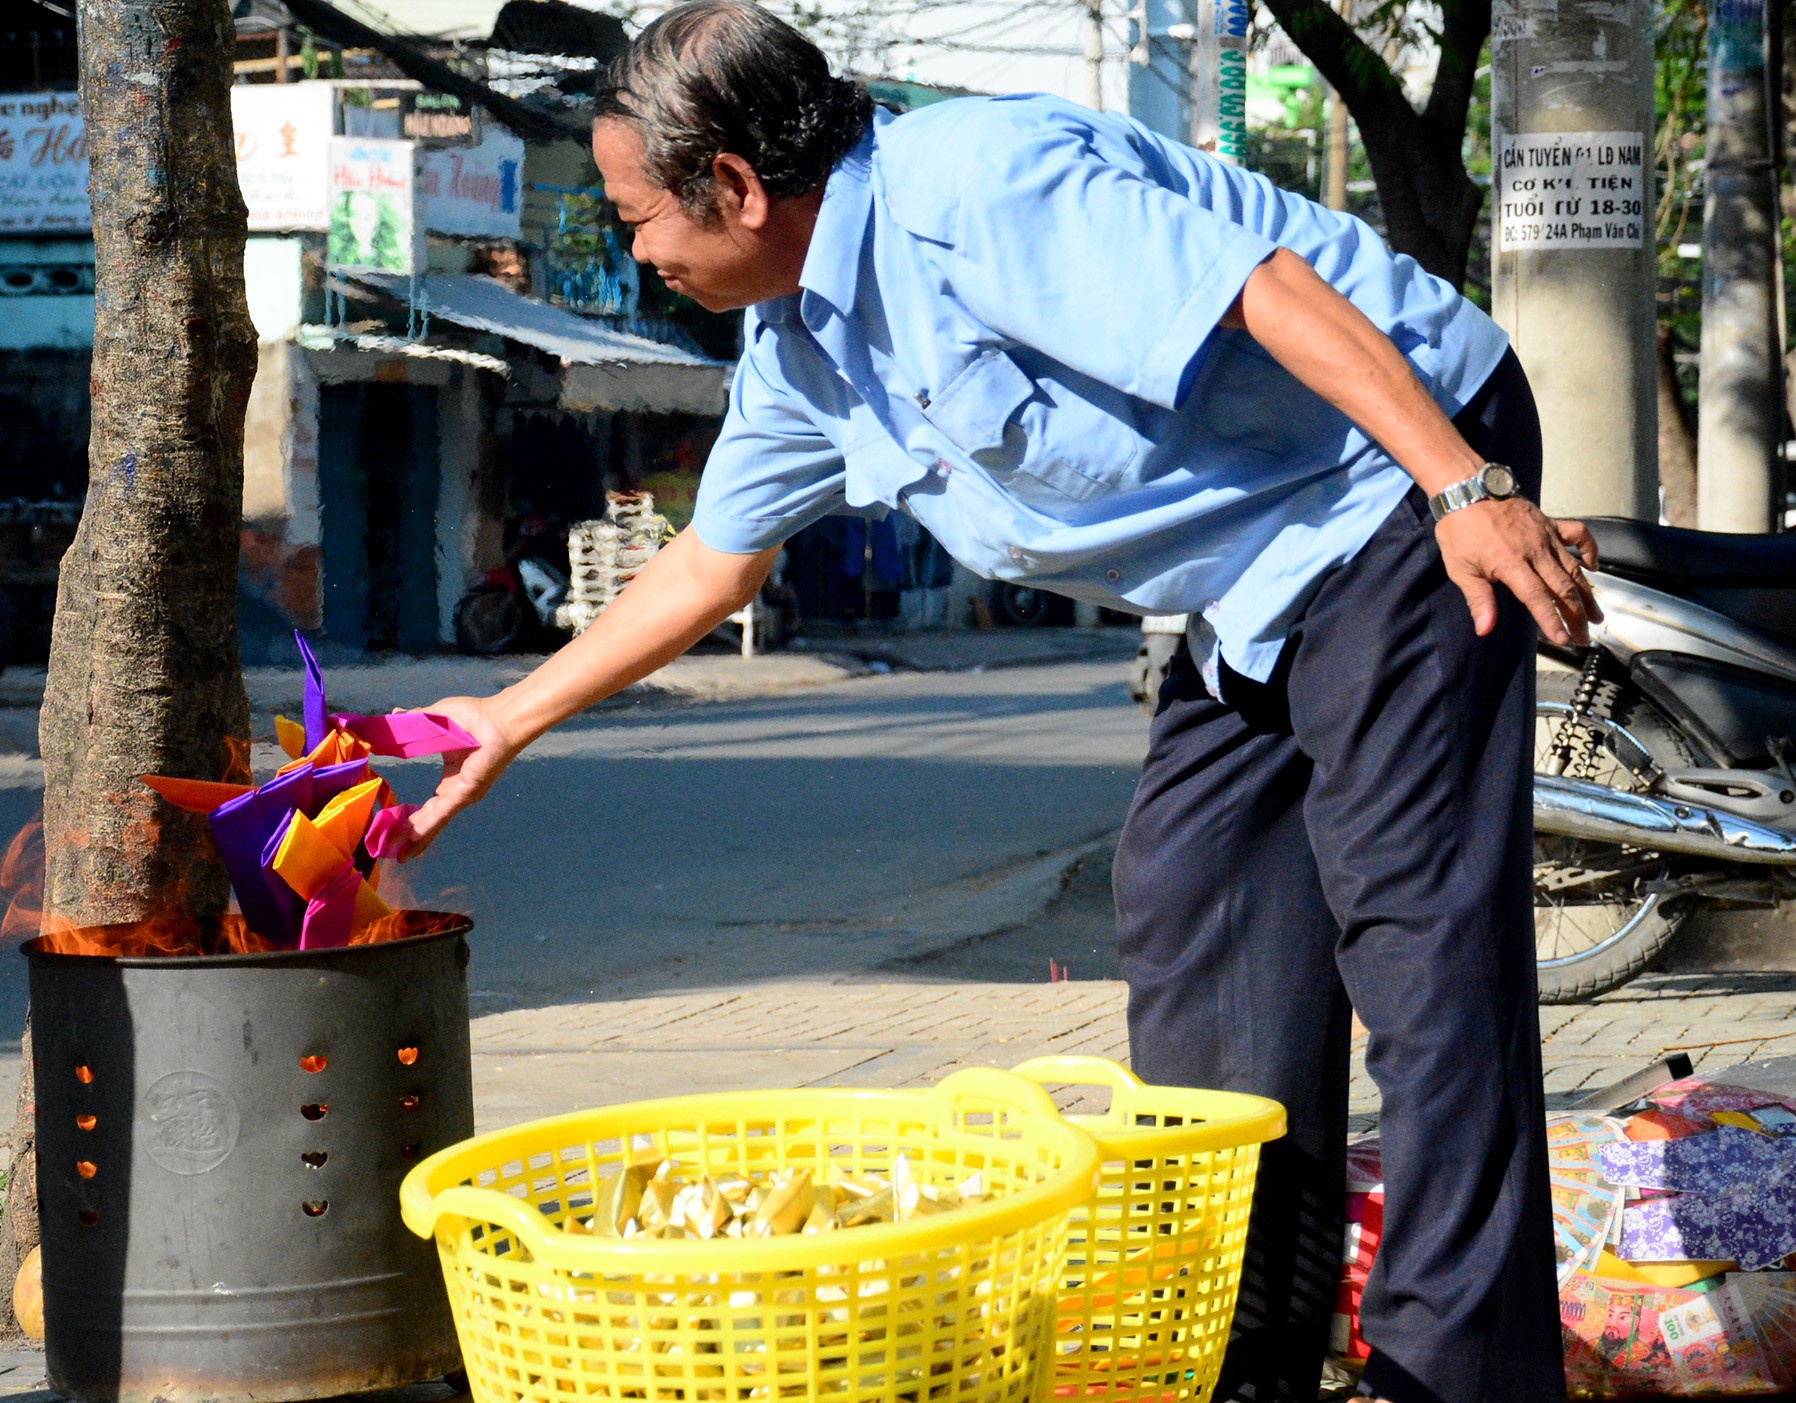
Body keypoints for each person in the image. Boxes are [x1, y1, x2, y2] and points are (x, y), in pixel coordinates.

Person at [395, 6, 1596, 1400]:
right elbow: (710, 564)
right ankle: (1240, 1348)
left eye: (639, 216)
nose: (640, 253)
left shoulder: (973, 186)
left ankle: (1460, 1369)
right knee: (1194, 892)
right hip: (1255, 562)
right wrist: (502, 721)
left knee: (1414, 932)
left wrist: (1463, 483)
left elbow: (1267, 288)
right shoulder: (803, 354)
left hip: (1392, 472)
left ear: (731, 184)